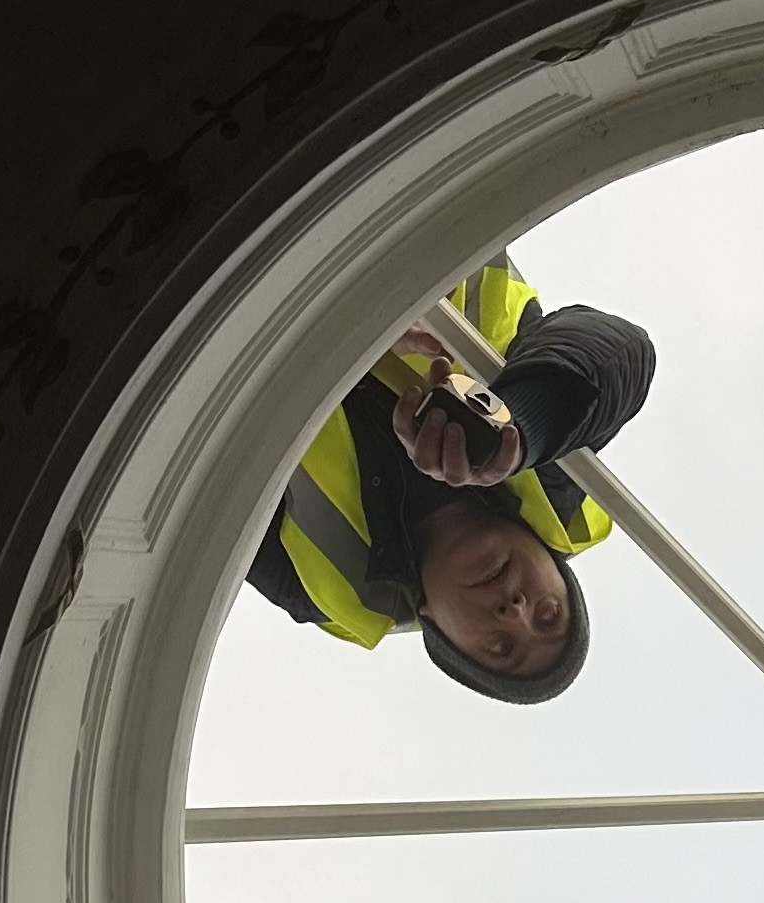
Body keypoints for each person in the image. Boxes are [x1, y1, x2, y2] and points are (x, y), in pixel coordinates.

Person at [246, 251, 652, 702]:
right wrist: (518, 430)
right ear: (555, 564)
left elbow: (196, 476)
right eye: (548, 614)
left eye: (501, 646)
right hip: (385, 222)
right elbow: (624, 351)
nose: (516, 612)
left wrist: (340, 346)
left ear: (435, 626)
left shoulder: (320, 588)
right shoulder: (562, 485)